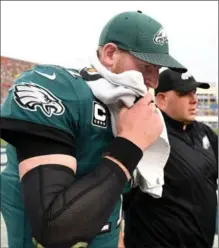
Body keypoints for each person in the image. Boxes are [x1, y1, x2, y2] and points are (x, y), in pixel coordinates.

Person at [0, 11, 186, 248]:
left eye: (157, 70)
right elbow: (53, 228)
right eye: (147, 66)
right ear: (110, 54)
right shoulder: (60, 89)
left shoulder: (121, 110)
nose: (153, 81)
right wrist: (129, 146)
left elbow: (110, 203)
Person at [123, 69, 218, 248]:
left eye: (194, 92)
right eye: (184, 93)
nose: (194, 99)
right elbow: (119, 195)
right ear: (161, 100)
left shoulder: (203, 132)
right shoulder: (148, 135)